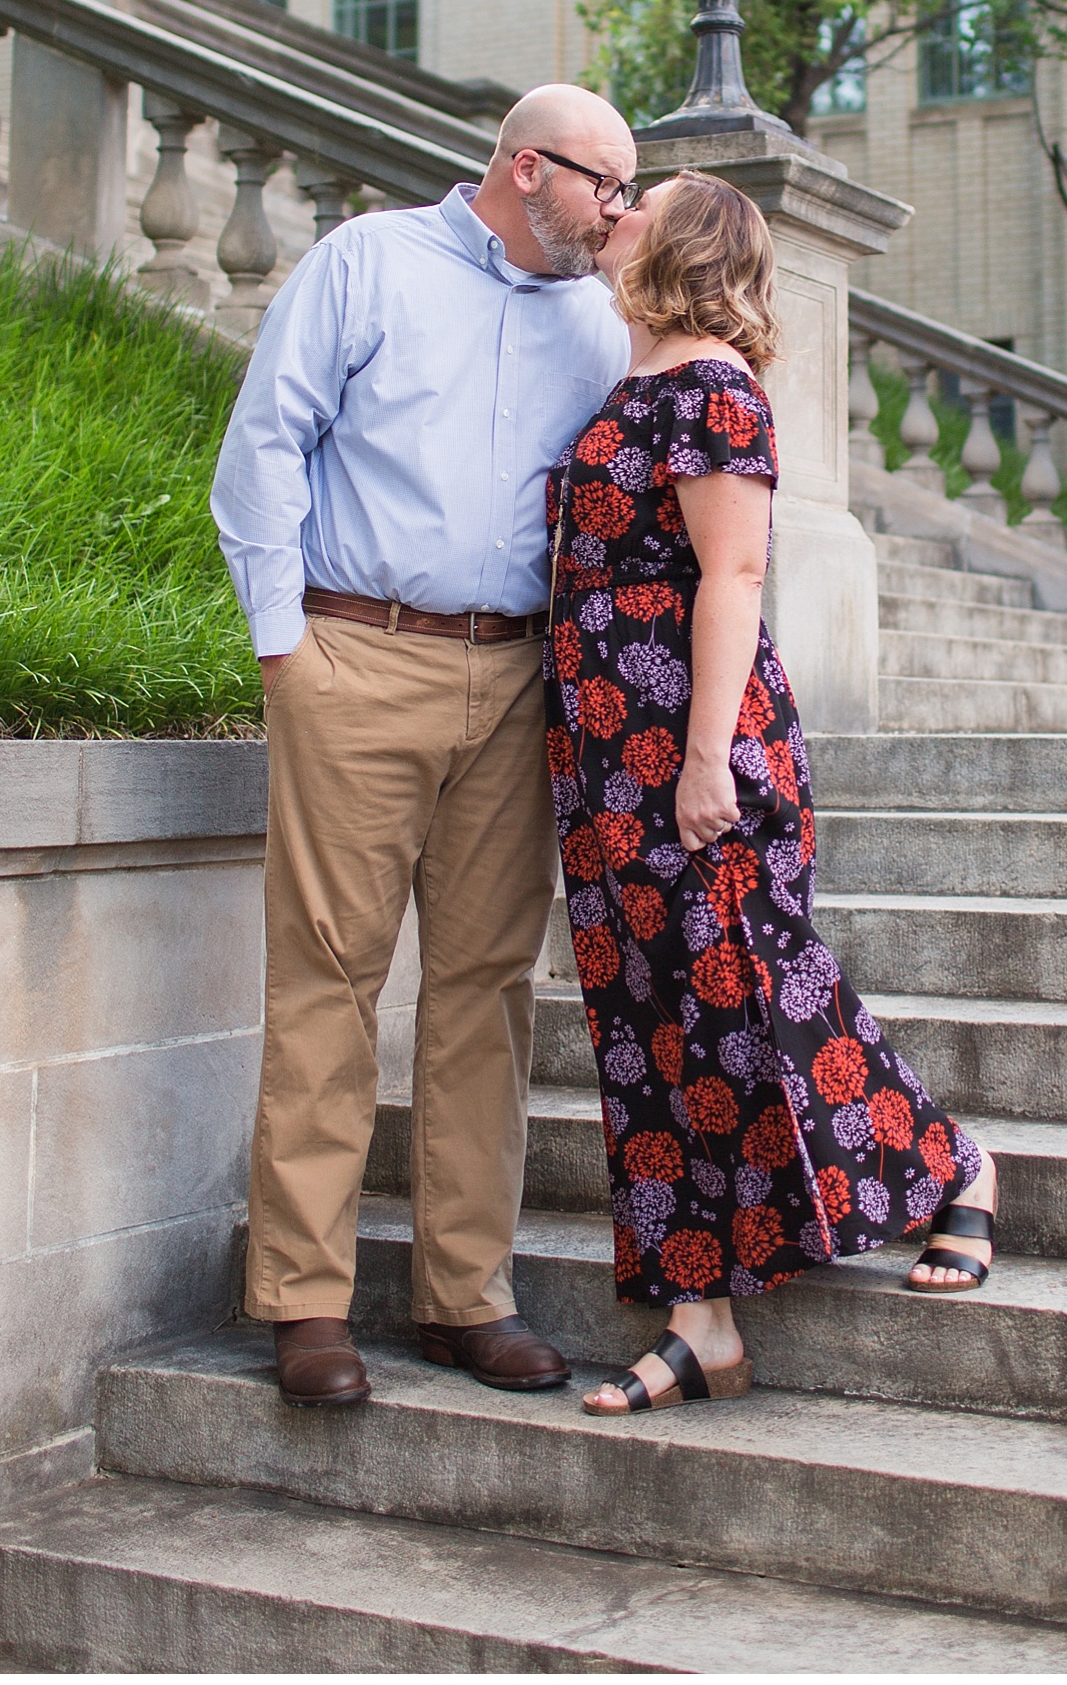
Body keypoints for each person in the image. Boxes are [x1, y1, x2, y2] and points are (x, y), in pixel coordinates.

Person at [543, 170, 998, 1416]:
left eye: (637, 196)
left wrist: (701, 759)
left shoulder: (715, 391)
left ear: (679, 240)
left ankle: (953, 1164)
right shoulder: (629, 384)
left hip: (694, 747)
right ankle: (701, 1323)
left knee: (749, 1000)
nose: (613, 204)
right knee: (650, 1031)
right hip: (599, 750)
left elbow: (733, 576)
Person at [211, 84, 636, 1409]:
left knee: (485, 990)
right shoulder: (368, 262)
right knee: (329, 978)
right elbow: (268, 443)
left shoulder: (597, 321)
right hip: (355, 654)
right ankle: (305, 1298)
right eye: (602, 186)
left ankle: (466, 1295)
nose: (615, 213)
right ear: (525, 166)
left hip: (517, 679)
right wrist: (287, 647)